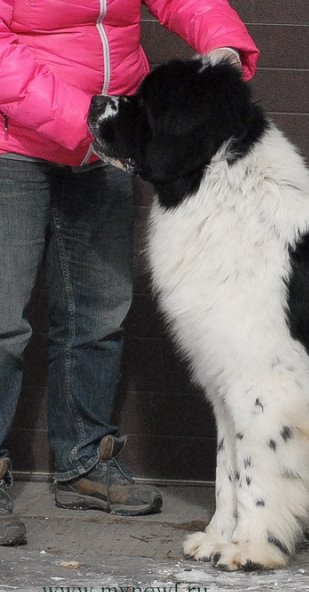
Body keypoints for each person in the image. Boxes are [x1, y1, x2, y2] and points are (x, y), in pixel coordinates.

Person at [0, 0, 259, 546]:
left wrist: (225, 45)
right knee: (3, 324)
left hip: (103, 147)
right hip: (13, 146)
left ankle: (84, 462)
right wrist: (88, 119)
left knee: (99, 314)